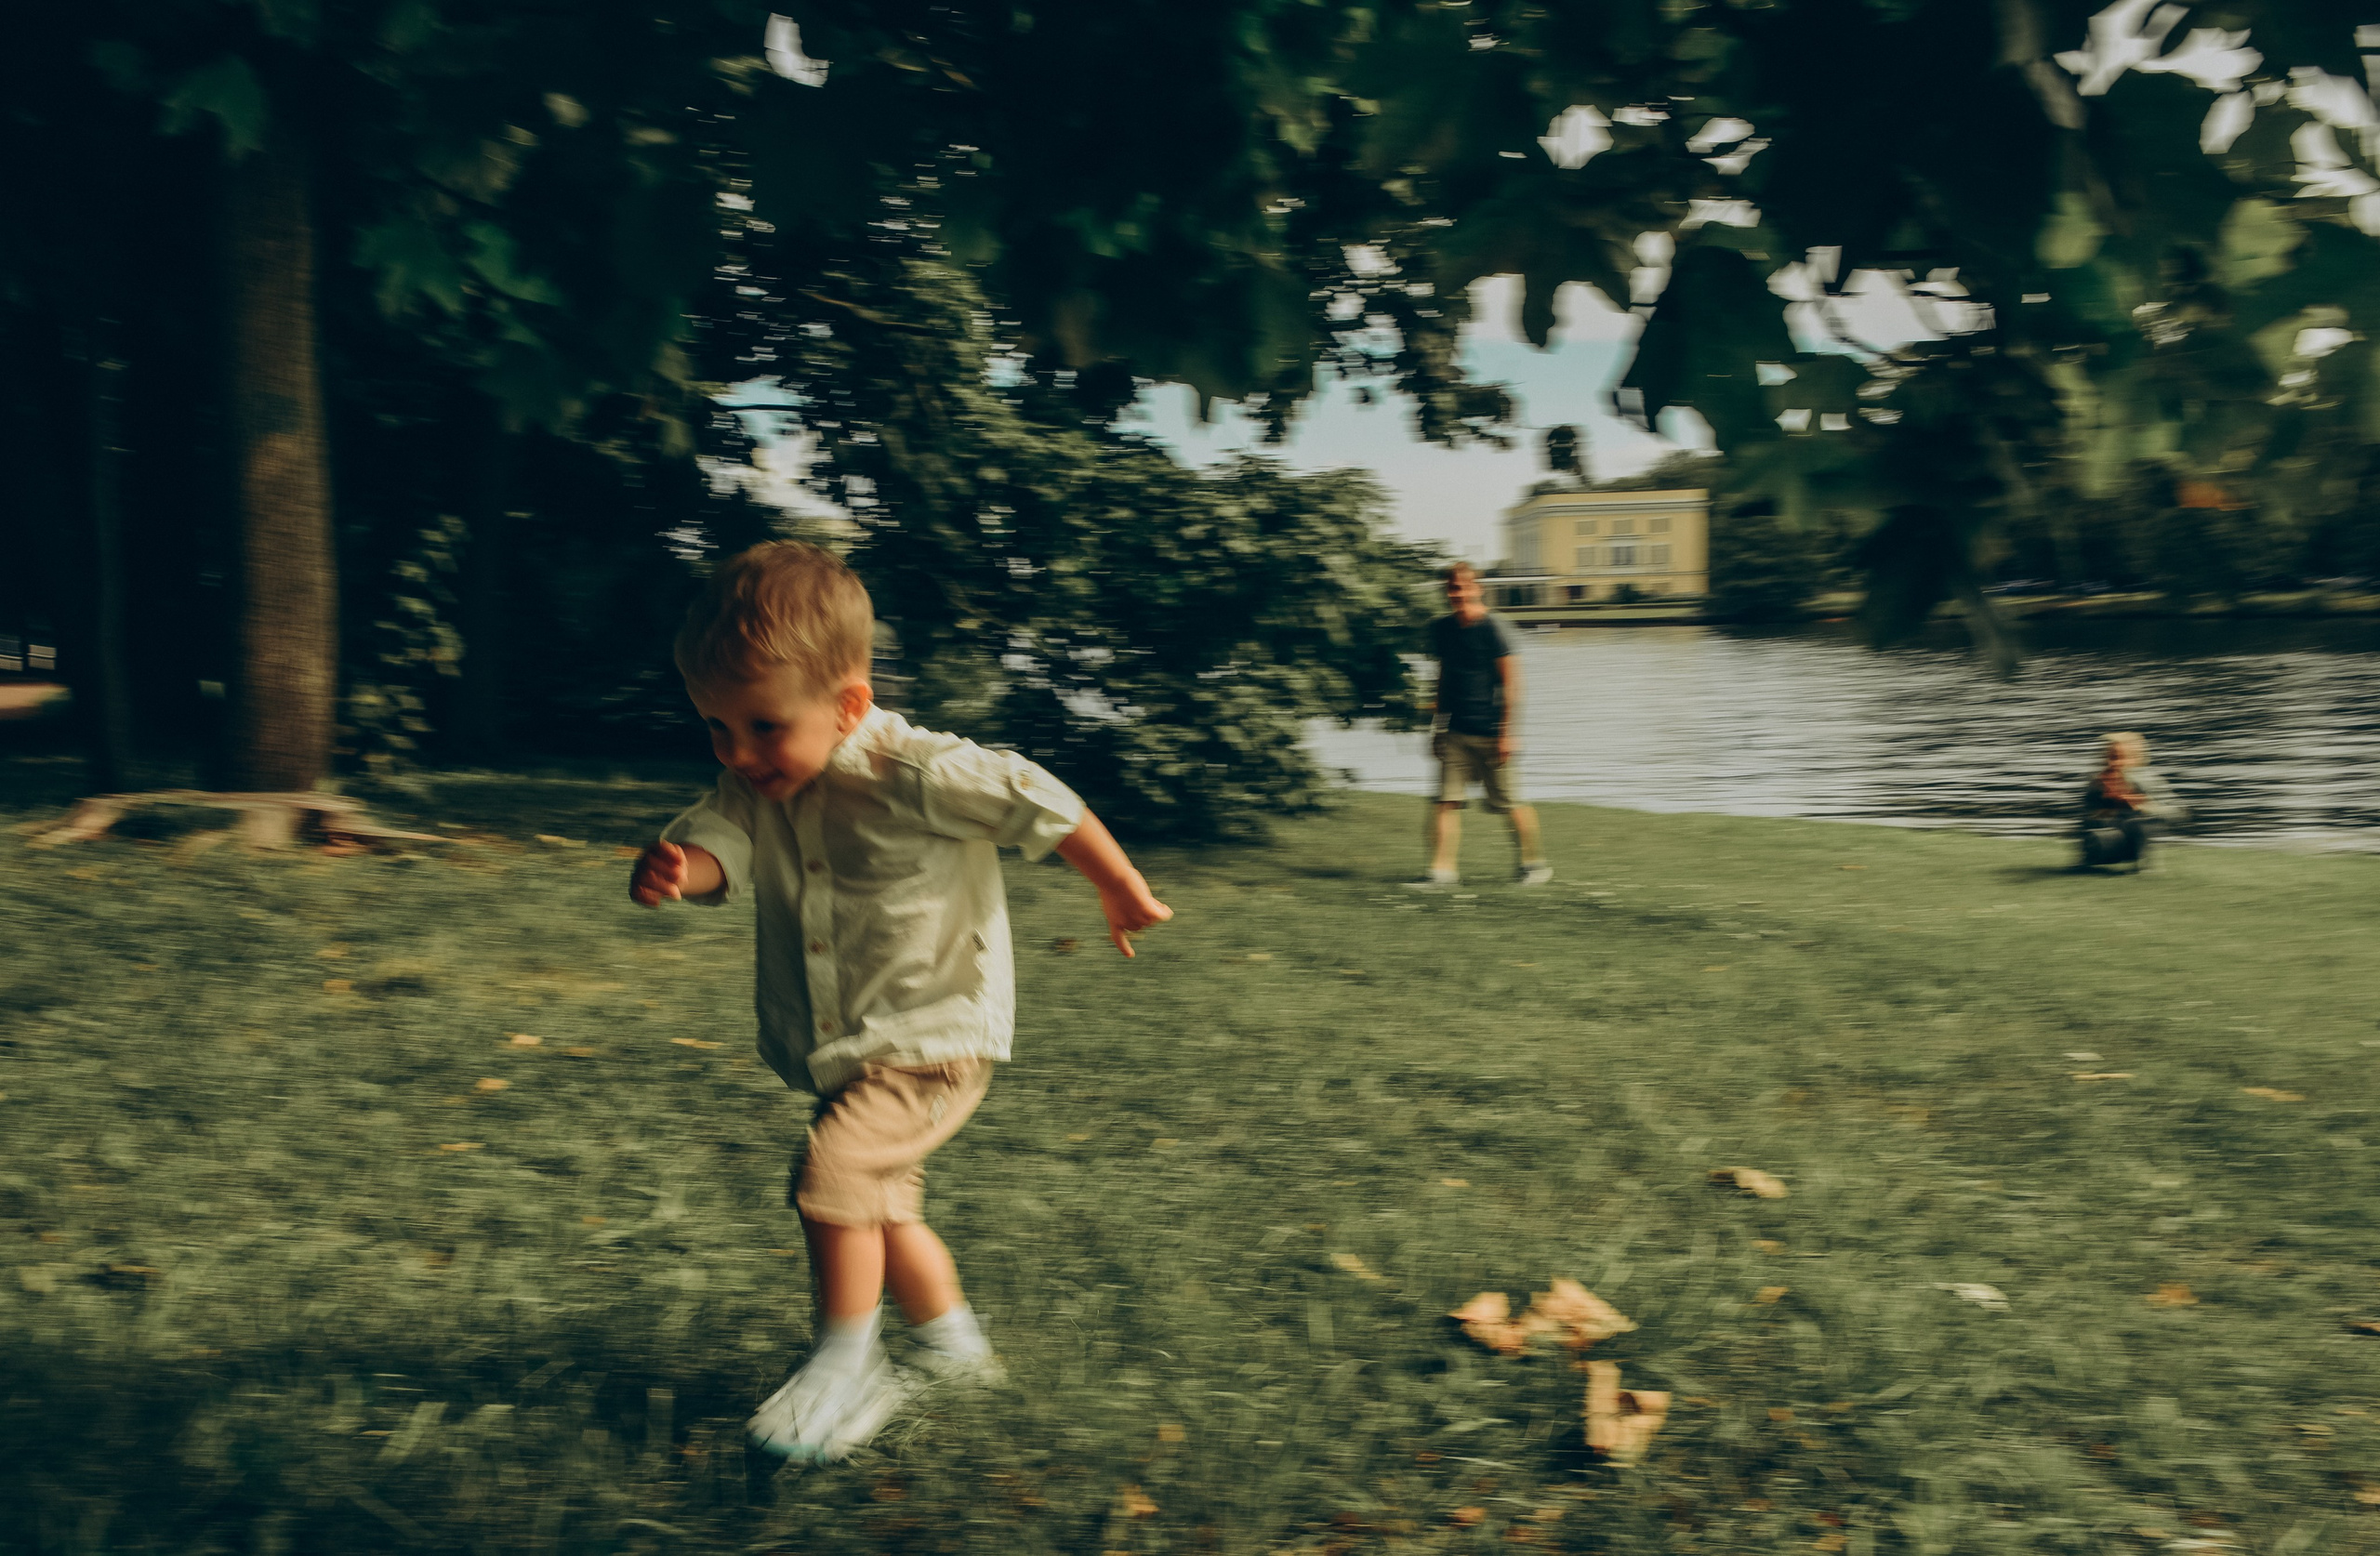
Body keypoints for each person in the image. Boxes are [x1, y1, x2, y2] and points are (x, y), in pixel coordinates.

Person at [628, 542, 1171, 1464]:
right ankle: (955, 1348)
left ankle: (848, 1362)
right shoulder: (758, 781)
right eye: (716, 728)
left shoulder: (915, 770)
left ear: (846, 704)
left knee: (829, 1182)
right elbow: (728, 837)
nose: (738, 753)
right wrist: (686, 872)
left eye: (761, 727)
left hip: (935, 1031)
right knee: (881, 1206)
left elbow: (1037, 797)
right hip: (852, 1043)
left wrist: (1116, 885)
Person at [1407, 561, 1551, 889]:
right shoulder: (1442, 628)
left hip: (1491, 732)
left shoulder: (1494, 628)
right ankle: (1441, 873)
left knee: (1509, 804)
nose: (1457, 594)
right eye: (1452, 588)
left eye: (1463, 587)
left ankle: (1534, 866)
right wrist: (1438, 728)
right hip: (1455, 731)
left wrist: (1507, 733)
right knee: (1445, 802)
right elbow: (1442, 678)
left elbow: (1512, 684)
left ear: (1477, 588)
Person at [2077, 730, 2186, 871]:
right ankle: (2087, 862)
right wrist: (2113, 810)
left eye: (2119, 758)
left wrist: (2145, 807)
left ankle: (2148, 866)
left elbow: (2180, 814)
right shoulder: (2096, 783)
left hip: (2137, 842)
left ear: (2135, 760)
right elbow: (2086, 815)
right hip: (2107, 841)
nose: (2113, 763)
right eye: (2109, 757)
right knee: (2088, 822)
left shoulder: (2148, 782)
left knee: (2139, 823)